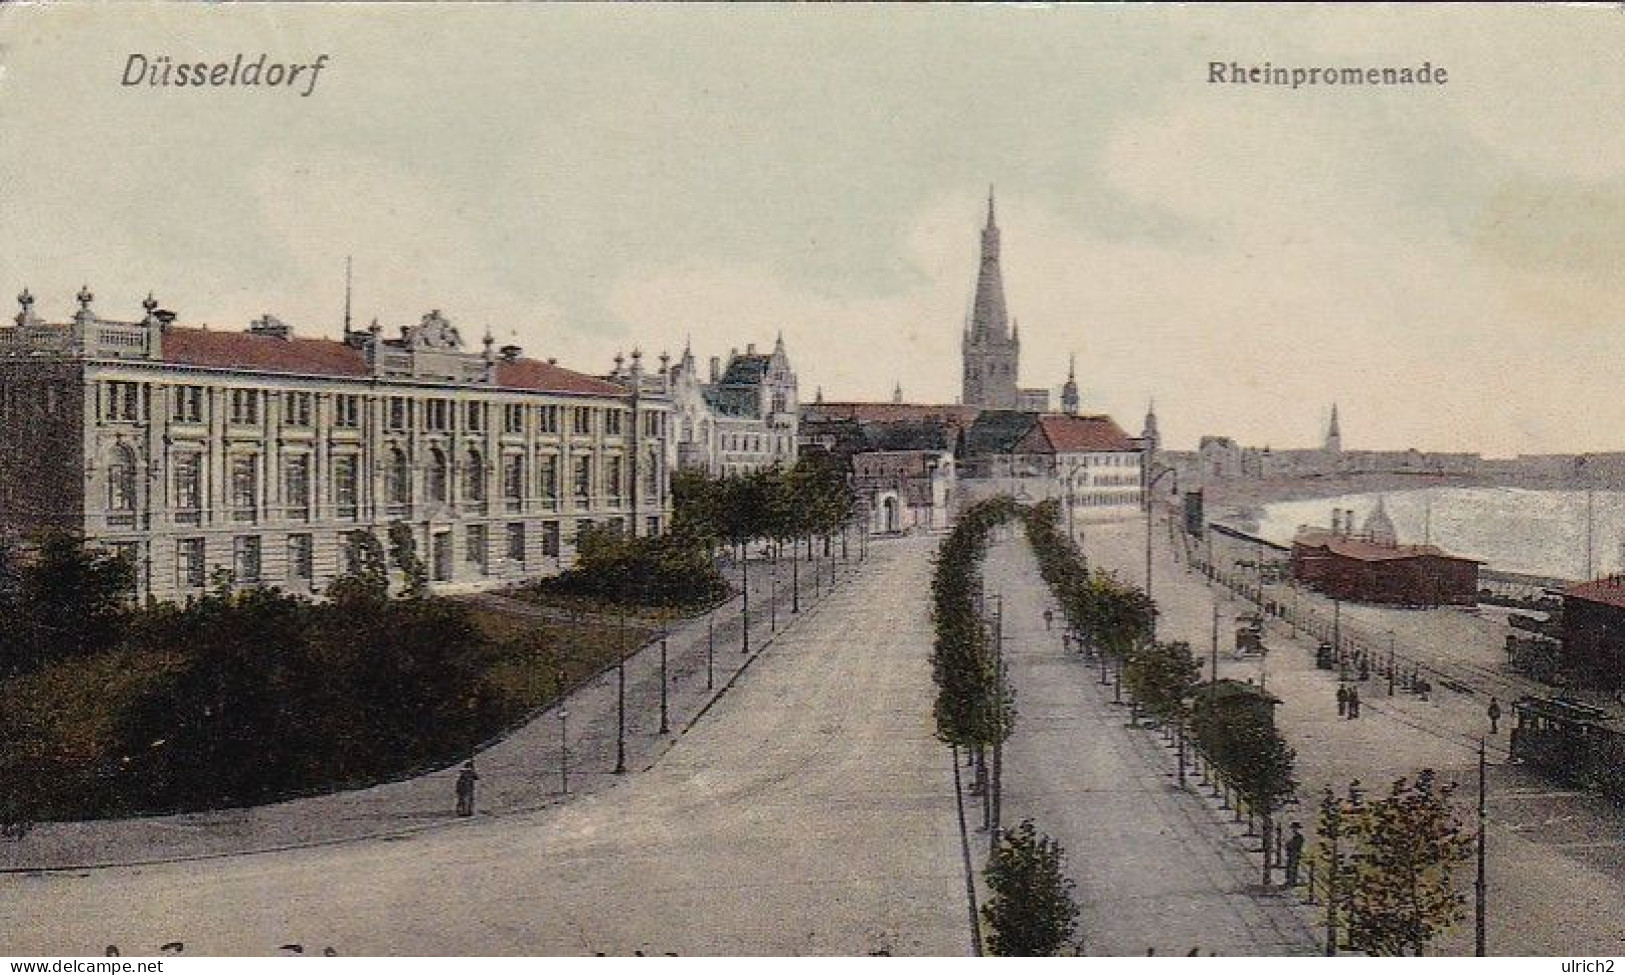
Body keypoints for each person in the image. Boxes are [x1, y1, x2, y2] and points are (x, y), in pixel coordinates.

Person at [1284, 822, 1305, 887]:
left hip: (1295, 853)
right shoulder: (1293, 837)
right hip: (1291, 853)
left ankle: (1292, 881)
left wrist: (1290, 845)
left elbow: (1295, 845)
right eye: (1293, 828)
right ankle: (1289, 881)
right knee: (1289, 866)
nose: (1294, 830)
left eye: (1295, 828)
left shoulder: (1300, 837)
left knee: (1293, 867)